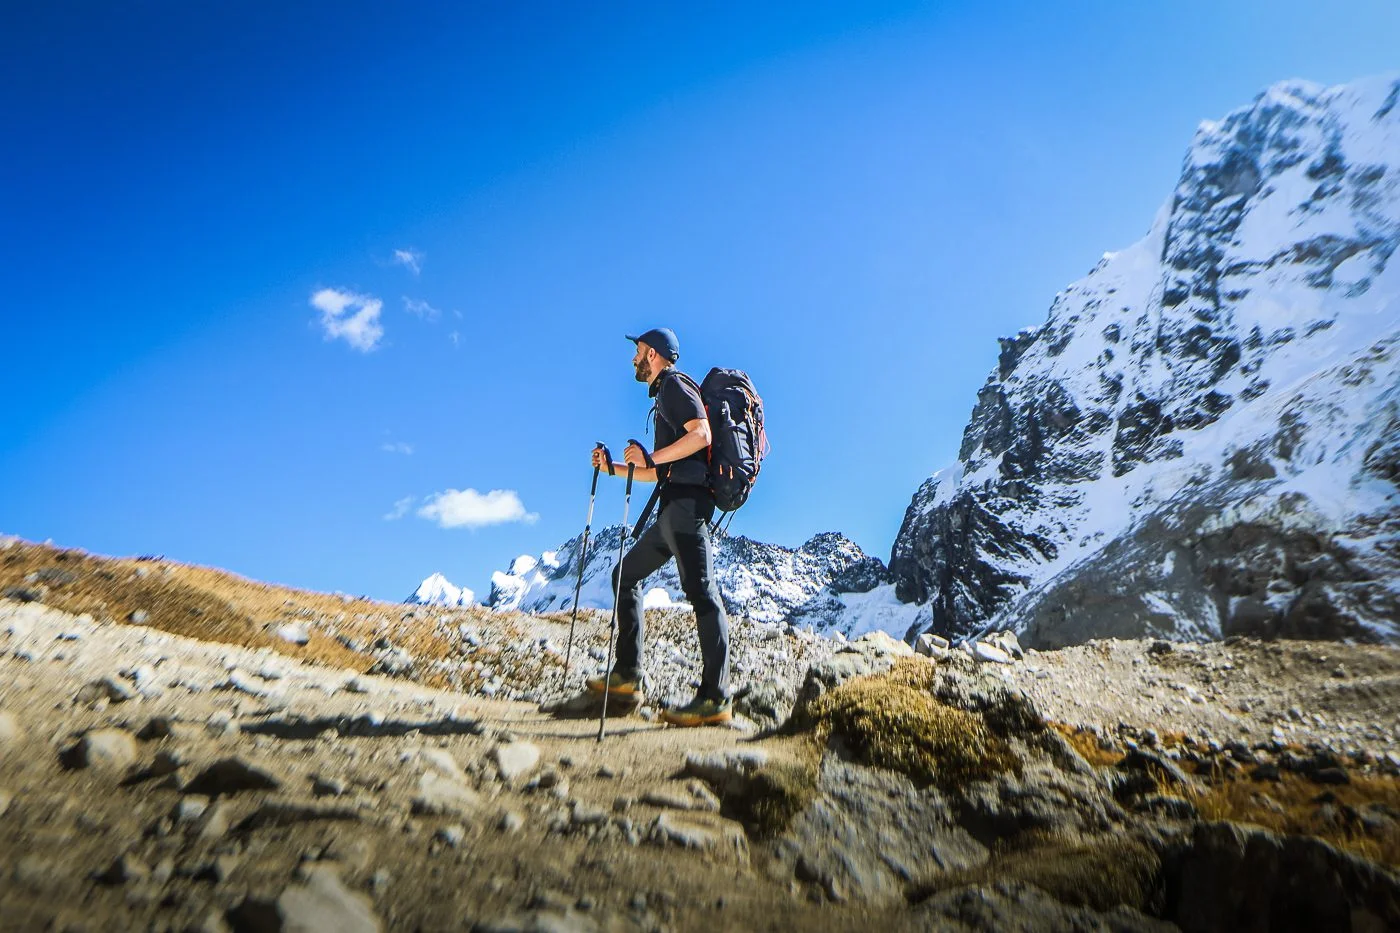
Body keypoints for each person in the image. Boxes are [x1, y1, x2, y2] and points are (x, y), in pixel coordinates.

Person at [586, 327, 732, 726]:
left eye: (637, 351)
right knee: (624, 576)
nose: (633, 359)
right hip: (672, 511)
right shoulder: (664, 397)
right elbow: (657, 469)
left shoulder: (673, 386)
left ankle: (715, 697)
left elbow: (701, 436)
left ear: (653, 353)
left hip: (686, 508)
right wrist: (613, 468)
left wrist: (651, 458)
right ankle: (628, 676)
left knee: (702, 593)